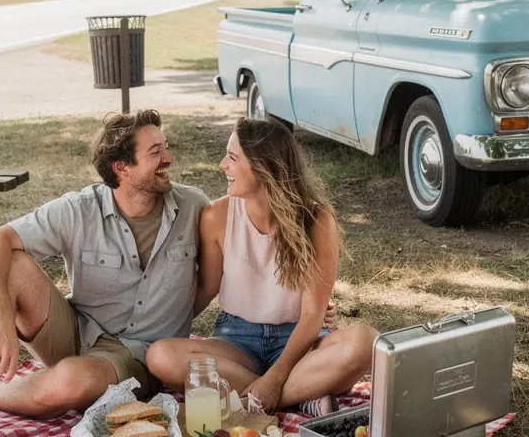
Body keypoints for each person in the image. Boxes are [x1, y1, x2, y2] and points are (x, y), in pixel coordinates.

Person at [0, 109, 208, 437]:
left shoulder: (193, 206)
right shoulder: (80, 209)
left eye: (165, 147)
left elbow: (214, 274)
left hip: (141, 357)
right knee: (8, 264)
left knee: (69, 382)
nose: (169, 158)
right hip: (79, 331)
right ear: (121, 168)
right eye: (155, 152)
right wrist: (2, 317)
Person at [146, 117, 375, 415]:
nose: (222, 165)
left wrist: (275, 377)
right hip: (236, 339)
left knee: (366, 342)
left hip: (298, 339)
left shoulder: (317, 221)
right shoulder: (217, 216)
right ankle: (300, 396)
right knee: (160, 356)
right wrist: (152, 325)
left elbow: (311, 316)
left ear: (262, 166)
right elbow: (206, 287)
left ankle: (256, 398)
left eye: (232, 157)